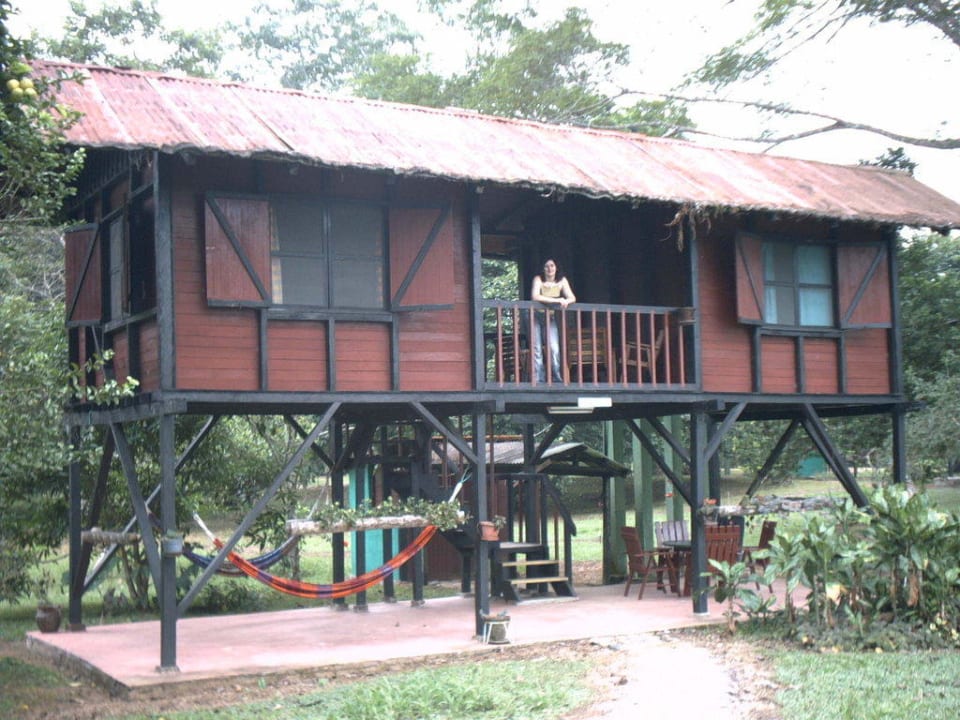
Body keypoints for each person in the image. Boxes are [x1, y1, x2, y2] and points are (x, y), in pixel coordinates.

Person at [530, 258, 576, 383]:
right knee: (537, 348)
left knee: (554, 348)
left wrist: (566, 301)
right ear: (543, 269)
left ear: (556, 267)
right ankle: (539, 379)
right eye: (546, 266)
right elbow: (535, 296)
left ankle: (556, 377)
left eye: (552, 265)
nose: (549, 269)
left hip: (549, 317)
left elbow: (572, 297)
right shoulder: (538, 279)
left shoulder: (562, 281)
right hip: (535, 316)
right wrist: (558, 300)